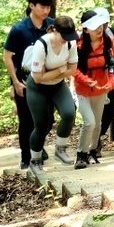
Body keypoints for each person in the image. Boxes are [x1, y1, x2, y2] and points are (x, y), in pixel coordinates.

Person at [3, 0, 54, 171]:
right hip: (25, 81)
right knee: (26, 121)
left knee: (48, 119)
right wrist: (15, 82)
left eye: (48, 7)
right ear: (31, 5)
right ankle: (27, 156)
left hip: (48, 80)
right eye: (42, 6)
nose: (46, 11)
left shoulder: (52, 26)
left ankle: (37, 145)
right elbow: (7, 56)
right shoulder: (19, 30)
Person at [24, 14, 78, 174]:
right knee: (41, 124)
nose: (66, 40)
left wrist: (53, 73)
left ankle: (60, 149)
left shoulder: (70, 43)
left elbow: (72, 70)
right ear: (55, 30)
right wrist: (60, 70)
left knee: (69, 113)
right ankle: (35, 160)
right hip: (37, 89)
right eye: (64, 36)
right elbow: (38, 78)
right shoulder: (42, 44)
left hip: (57, 86)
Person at [74, 9, 114, 168]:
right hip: (83, 90)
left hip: (101, 88)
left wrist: (111, 84)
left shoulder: (108, 41)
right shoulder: (78, 45)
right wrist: (87, 81)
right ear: (85, 29)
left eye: (100, 25)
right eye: (94, 26)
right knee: (89, 122)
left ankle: (92, 152)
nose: (99, 29)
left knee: (97, 123)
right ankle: (81, 155)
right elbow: (73, 69)